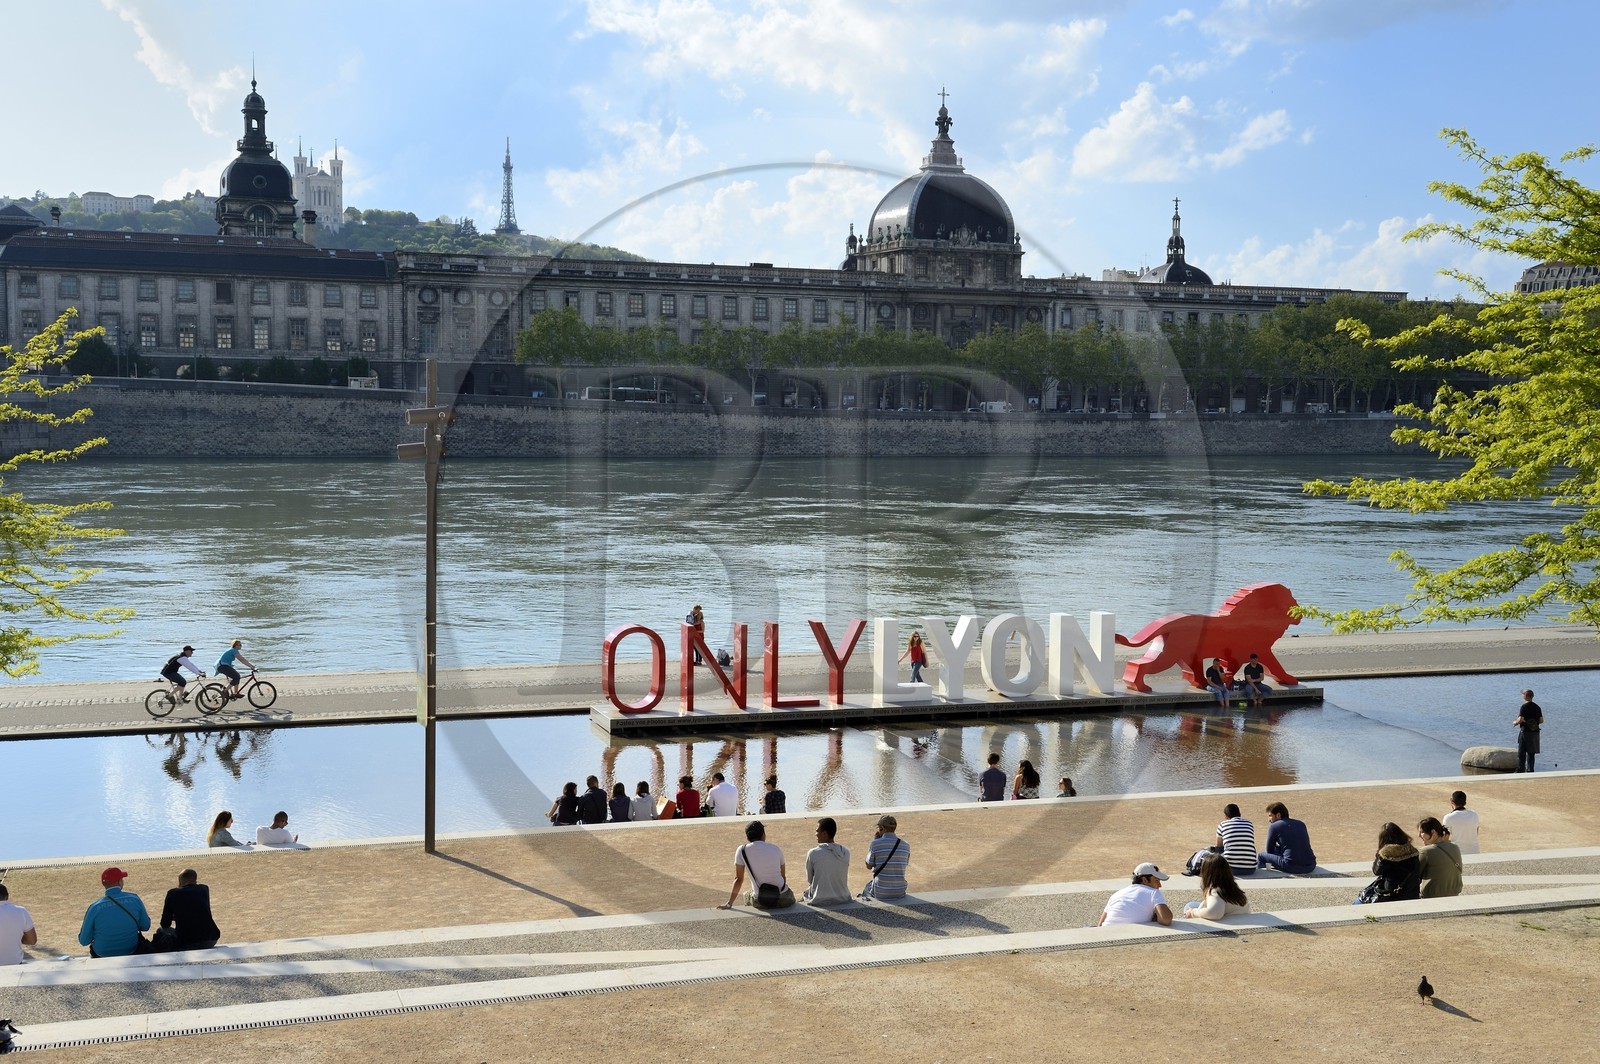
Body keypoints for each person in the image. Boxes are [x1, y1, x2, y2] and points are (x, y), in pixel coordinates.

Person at [717, 821, 794, 910]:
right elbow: (783, 877)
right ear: (763, 834)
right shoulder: (776, 849)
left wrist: (729, 903)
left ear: (747, 836)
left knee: (747, 894)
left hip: (761, 900)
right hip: (784, 898)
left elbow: (738, 879)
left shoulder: (742, 850)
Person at [78, 867, 150, 958]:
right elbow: (146, 926)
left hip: (101, 954)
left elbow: (84, 941)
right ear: (120, 882)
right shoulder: (135, 899)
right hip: (131, 950)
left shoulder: (94, 907)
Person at [159, 869, 220, 951]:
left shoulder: (172, 893)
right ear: (195, 880)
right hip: (210, 939)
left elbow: (165, 924)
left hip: (187, 942)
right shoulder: (204, 889)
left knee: (161, 930)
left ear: (180, 881)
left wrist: (177, 917)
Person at [1359, 821, 1420, 903]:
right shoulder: (1413, 852)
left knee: (1358, 902)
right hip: (1412, 895)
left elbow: (1376, 871)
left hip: (1391, 896)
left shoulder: (1385, 855)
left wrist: (1379, 854)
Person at [1098, 862, 1174, 926]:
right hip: (1127, 937)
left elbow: (1100, 924)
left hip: (1105, 933)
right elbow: (1166, 920)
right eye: (1157, 880)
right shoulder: (1153, 892)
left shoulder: (1117, 894)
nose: (1160, 885)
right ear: (1144, 880)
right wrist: (1156, 916)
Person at [1182, 852, 1250, 921]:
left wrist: (1193, 912)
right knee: (1192, 905)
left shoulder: (1216, 891)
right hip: (1239, 918)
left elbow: (1214, 913)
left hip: (1228, 926)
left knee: (1189, 907)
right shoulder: (1231, 885)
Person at [801, 817, 851, 905]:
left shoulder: (813, 853)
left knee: (805, 893)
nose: (815, 834)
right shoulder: (846, 852)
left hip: (820, 898)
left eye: (817, 831)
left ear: (824, 834)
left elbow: (810, 879)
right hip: (843, 897)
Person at [1257, 801, 1317, 874]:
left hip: (1291, 866)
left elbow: (1269, 850)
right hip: (1311, 865)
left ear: (1278, 815)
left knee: (1261, 855)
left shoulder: (1274, 826)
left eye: (1270, 816)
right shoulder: (1301, 823)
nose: (1269, 820)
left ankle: (1260, 876)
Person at [860, 814, 910, 900]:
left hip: (880, 891)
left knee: (867, 888)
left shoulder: (875, 843)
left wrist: (874, 841)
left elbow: (868, 866)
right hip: (900, 891)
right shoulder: (906, 845)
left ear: (882, 828)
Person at [1416, 817, 1463, 899]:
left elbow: (1415, 874)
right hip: (1455, 892)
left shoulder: (1426, 851)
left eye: (1422, 832)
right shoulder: (1455, 847)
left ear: (1433, 832)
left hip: (1432, 895)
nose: (1419, 835)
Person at [1215, 803, 1257, 876]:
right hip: (1250, 868)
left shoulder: (1222, 825)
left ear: (1226, 816)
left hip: (1230, 869)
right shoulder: (1249, 823)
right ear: (1239, 814)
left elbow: (1219, 847)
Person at [0, 883, 37, 966]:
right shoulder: (21, 911)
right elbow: (32, 940)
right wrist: (14, 937)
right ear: (7, 896)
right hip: (15, 964)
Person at [1443, 790, 1480, 855]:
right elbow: (1475, 833)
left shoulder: (1448, 817)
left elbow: (1444, 839)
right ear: (1465, 803)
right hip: (1475, 852)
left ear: (1451, 801)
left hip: (1458, 854)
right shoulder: (1474, 814)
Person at [1515, 689, 1543, 772]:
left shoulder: (1524, 707)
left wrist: (1515, 722)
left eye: (1523, 694)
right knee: (1531, 752)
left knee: (1521, 752)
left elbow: (1520, 719)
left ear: (1526, 696)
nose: (1522, 695)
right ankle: (1530, 769)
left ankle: (1520, 769)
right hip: (1534, 732)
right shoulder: (1537, 707)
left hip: (1525, 732)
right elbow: (1541, 720)